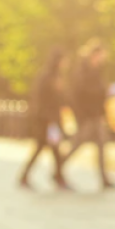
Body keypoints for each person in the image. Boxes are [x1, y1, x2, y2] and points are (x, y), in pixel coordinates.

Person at [63, 39, 115, 190]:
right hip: (86, 116)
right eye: (100, 55)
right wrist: (81, 116)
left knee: (101, 145)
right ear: (94, 54)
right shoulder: (82, 71)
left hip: (96, 116)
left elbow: (99, 95)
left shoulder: (98, 71)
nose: (102, 59)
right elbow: (78, 95)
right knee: (77, 144)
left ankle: (104, 179)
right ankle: (58, 168)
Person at [19, 51, 72, 191]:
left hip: (50, 120)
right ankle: (58, 177)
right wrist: (49, 119)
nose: (66, 64)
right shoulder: (47, 77)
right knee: (50, 149)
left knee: (48, 149)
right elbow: (43, 100)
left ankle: (28, 176)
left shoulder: (55, 76)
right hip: (47, 121)